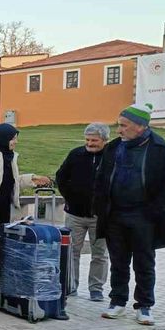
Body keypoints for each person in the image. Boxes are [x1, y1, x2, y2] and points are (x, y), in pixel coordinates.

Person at [94, 104, 165, 325]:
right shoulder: (113, 148)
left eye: (124, 126)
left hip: (145, 216)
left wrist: (153, 211)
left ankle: (144, 306)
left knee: (144, 263)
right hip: (116, 214)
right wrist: (100, 207)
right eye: (119, 125)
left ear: (140, 126)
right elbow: (101, 180)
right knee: (118, 262)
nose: (119, 130)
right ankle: (117, 301)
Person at [0, 124, 51, 287]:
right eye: (13, 138)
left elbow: (10, 180)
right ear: (3, 139)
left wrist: (32, 179)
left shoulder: (9, 158)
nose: (15, 142)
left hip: (3, 211)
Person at [55, 123, 110, 301]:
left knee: (100, 254)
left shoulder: (112, 157)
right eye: (87, 139)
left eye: (94, 140)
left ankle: (96, 288)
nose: (90, 143)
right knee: (72, 252)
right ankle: (71, 285)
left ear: (104, 140)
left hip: (100, 216)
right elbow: (61, 176)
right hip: (75, 214)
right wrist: (70, 197)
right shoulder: (76, 154)